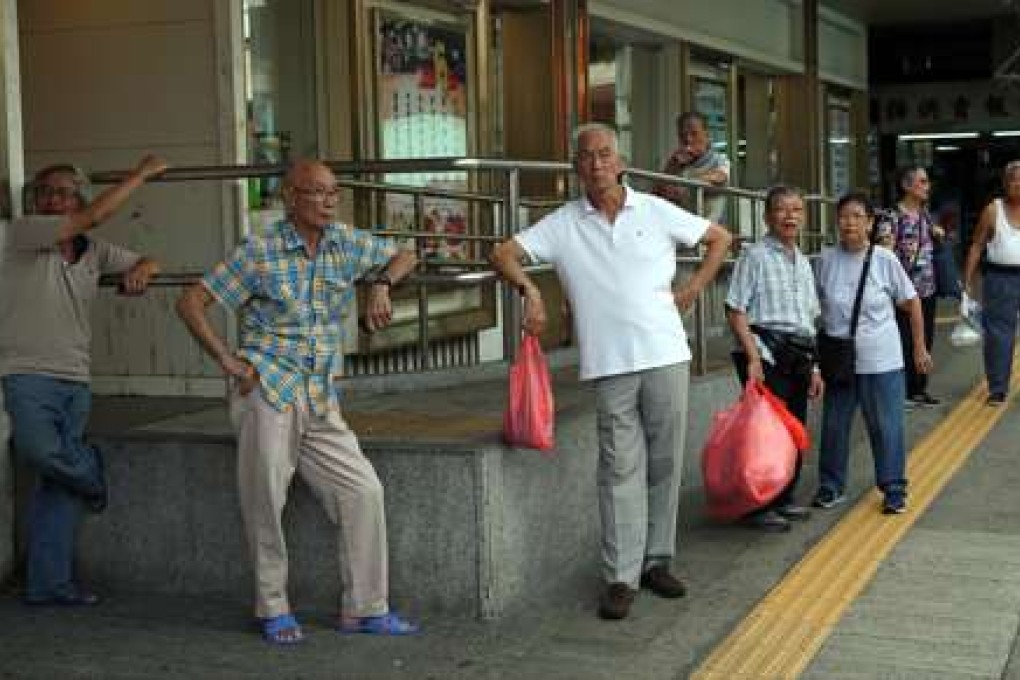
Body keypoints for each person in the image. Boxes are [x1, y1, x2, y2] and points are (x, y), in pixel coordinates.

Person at [489, 123, 732, 621]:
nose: (596, 163)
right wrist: (530, 291)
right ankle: (621, 575)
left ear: (620, 161)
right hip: (609, 363)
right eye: (586, 157)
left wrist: (692, 290)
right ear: (576, 167)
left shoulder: (654, 209)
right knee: (619, 468)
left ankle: (657, 560)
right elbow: (502, 253)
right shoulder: (563, 223)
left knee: (664, 462)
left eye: (604, 154)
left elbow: (719, 238)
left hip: (666, 353)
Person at [175, 159, 419, 645]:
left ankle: (365, 608)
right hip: (268, 389)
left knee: (363, 491)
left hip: (320, 394)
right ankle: (273, 608)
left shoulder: (344, 243)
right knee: (265, 500)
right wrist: (227, 358)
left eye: (333, 192)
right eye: (316, 192)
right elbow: (191, 302)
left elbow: (408, 252)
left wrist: (381, 284)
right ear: (289, 196)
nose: (329, 201)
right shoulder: (259, 253)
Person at [0, 155, 167, 605]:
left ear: (78, 197)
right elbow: (94, 216)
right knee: (39, 452)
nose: (54, 199)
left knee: (56, 485)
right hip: (26, 373)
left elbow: (151, 258)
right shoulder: (22, 233)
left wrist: (142, 269)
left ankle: (48, 586)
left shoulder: (94, 250)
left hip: (76, 377)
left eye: (65, 192)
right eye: (47, 192)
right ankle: (92, 474)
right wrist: (140, 175)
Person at [812, 192, 932, 515]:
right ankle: (831, 485)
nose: (849, 222)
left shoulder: (884, 259)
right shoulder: (825, 261)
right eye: (843, 216)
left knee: (886, 426)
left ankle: (893, 488)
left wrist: (919, 347)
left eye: (856, 216)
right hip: (839, 360)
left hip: (882, 359)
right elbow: (816, 312)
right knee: (835, 425)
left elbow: (912, 302)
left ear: (869, 223)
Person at [725, 185, 822, 533]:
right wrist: (752, 357)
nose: (790, 216)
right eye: (782, 209)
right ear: (767, 217)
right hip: (764, 353)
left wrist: (814, 366)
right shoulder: (754, 256)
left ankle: (782, 497)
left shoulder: (804, 262)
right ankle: (758, 505)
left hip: (798, 353)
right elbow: (735, 309)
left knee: (792, 428)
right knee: (765, 434)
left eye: (797, 209)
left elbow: (809, 319)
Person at [874, 166, 943, 407]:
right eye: (922, 182)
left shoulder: (925, 214)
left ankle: (918, 388)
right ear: (906, 186)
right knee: (903, 339)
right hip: (902, 291)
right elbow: (884, 254)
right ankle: (901, 390)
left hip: (927, 287)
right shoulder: (890, 217)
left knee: (925, 338)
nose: (927, 186)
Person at [962, 160, 1020, 406]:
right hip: (1000, 278)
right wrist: (967, 282)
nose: (1018, 184)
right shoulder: (992, 210)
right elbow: (976, 245)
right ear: (1005, 184)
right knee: (998, 336)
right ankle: (997, 388)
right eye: (1013, 180)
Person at [653, 111, 731, 224]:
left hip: (710, 228)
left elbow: (720, 176)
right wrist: (673, 166)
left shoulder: (718, 159)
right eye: (683, 135)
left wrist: (690, 184)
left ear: (706, 135)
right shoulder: (677, 161)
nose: (688, 140)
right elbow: (657, 192)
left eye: (694, 134)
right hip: (682, 227)